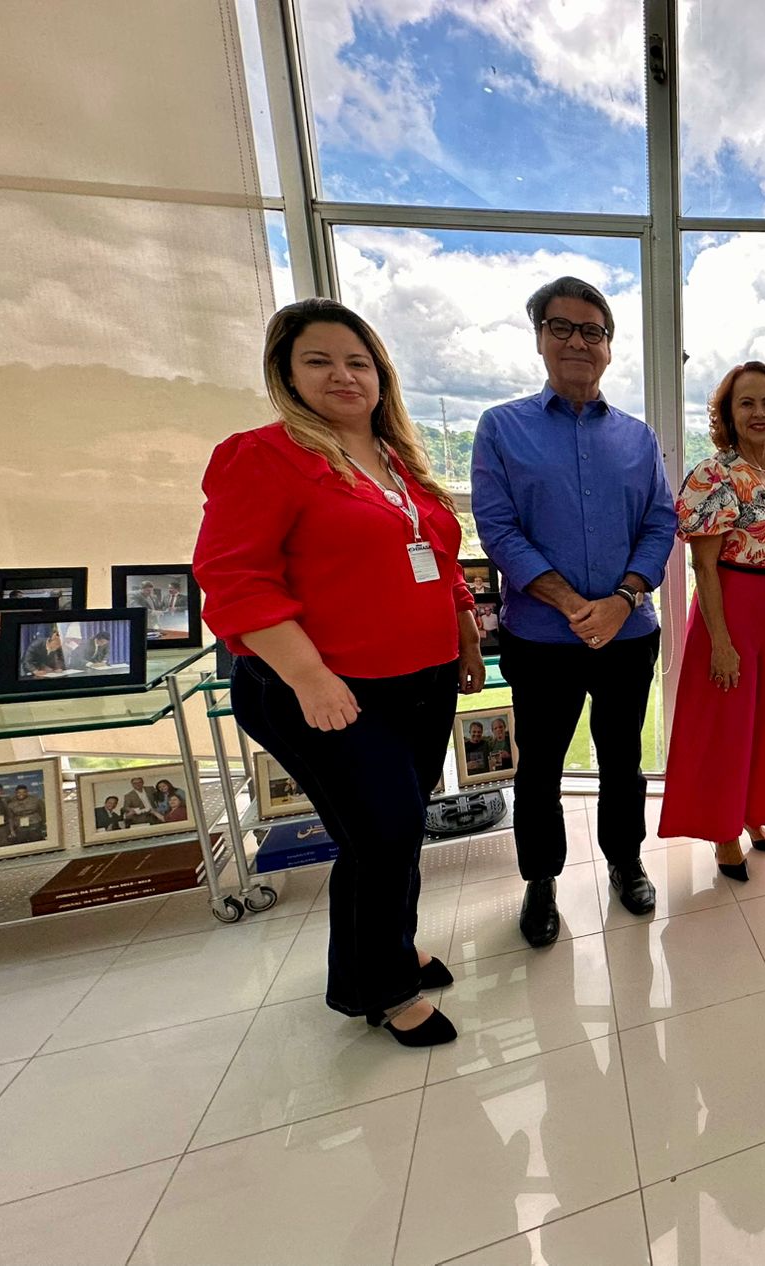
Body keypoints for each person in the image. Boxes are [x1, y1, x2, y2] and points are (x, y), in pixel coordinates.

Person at [195, 297, 486, 1047]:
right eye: (319, 361)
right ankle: (386, 989)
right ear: (286, 374)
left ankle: (384, 954)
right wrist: (310, 676)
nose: (343, 376)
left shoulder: (398, 462)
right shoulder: (263, 456)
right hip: (330, 690)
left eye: (358, 362)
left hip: (419, 682)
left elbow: (440, 559)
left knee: (393, 831)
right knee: (384, 834)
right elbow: (235, 581)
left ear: (381, 376)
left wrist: (465, 637)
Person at [472, 276, 676, 947]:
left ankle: (625, 860)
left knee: (622, 759)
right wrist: (569, 603)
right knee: (540, 768)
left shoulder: (638, 438)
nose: (578, 342)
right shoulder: (502, 427)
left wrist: (621, 601)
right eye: (561, 327)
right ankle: (541, 879)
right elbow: (498, 528)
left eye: (593, 330)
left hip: (628, 634)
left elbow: (660, 523)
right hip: (539, 637)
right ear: (540, 339)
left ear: (609, 347)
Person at [658, 361, 765, 879]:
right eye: (746, 403)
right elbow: (703, 565)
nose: (759, 412)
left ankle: (753, 813)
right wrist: (721, 641)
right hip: (731, 608)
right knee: (726, 723)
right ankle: (723, 830)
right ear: (728, 413)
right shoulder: (714, 476)